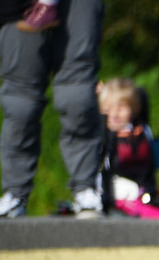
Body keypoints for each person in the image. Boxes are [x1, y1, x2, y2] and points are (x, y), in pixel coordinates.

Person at [0, 0, 105, 218]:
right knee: (20, 105)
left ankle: (86, 189)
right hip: (18, 8)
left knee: (77, 98)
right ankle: (14, 194)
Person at [97, 78, 157, 204]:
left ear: (134, 110)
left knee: (135, 190)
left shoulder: (142, 130)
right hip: (110, 185)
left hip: (142, 186)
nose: (114, 114)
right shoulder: (102, 133)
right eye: (108, 109)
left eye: (121, 108)